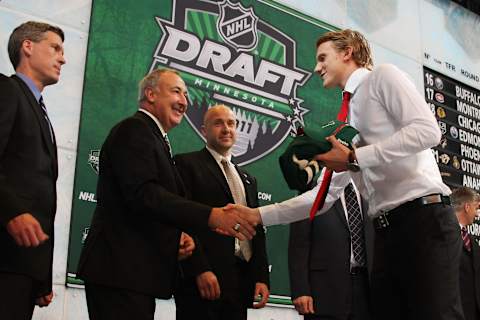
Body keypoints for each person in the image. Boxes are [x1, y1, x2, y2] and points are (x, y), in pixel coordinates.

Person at [227, 29, 463, 320]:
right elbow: (322, 198)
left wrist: (354, 157)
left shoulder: (383, 77)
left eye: (323, 58)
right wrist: (258, 215)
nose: (317, 67)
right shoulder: (347, 120)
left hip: (425, 221)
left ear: (347, 52)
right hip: (387, 235)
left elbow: (428, 131)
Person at [77, 69, 258, 320]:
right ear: (150, 94)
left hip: (135, 273)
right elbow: (144, 194)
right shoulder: (134, 130)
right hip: (119, 270)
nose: (184, 100)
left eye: (185, 94)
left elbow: (150, 205)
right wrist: (211, 215)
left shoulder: (155, 138)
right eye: (176, 91)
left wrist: (177, 238)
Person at [174, 105, 270, 320]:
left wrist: (261, 277)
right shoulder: (186, 164)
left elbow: (257, 230)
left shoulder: (248, 179)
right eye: (218, 123)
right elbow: (183, 220)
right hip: (204, 280)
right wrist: (199, 269)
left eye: (231, 123)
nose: (226, 129)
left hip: (240, 281)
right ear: (203, 130)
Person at [0, 21, 66, 319]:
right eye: (55, 47)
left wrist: (42, 276)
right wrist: (13, 211)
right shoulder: (6, 90)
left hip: (24, 267)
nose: (62, 58)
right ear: (28, 46)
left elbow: (41, 201)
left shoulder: (40, 110)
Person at [288, 182, 373, 320]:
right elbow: (299, 244)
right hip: (324, 292)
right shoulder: (312, 191)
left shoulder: (371, 192)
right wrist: (301, 290)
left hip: (365, 293)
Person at [451, 187, 480, 320]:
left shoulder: (473, 242)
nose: (477, 214)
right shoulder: (443, 235)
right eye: (476, 208)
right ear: (467, 207)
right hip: (451, 311)